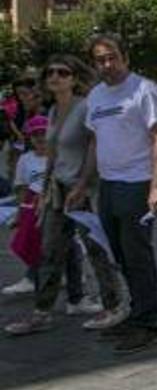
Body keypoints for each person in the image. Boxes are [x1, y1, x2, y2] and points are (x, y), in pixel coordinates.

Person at [5, 56, 126, 335]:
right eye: (50, 73)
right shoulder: (52, 112)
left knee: (96, 250)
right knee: (49, 251)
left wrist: (83, 184)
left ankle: (115, 305)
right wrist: (45, 190)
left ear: (74, 78)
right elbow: (52, 154)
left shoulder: (85, 107)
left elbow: (96, 145)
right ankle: (42, 312)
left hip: (83, 190)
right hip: (57, 190)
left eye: (63, 72)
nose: (55, 77)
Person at [78, 33, 157, 354]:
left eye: (112, 57)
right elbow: (94, 142)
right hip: (108, 185)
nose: (107, 64)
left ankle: (148, 323)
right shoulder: (96, 96)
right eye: (100, 59)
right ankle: (135, 314)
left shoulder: (144, 90)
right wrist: (81, 184)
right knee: (118, 254)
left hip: (137, 183)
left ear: (125, 58)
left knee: (137, 255)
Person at [1, 116, 49, 298]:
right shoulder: (26, 160)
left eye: (43, 133)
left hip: (56, 202)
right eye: (35, 135)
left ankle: (70, 276)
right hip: (33, 203)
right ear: (29, 138)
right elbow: (22, 188)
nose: (40, 138)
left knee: (59, 244)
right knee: (29, 242)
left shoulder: (58, 155)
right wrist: (20, 214)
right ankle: (31, 278)